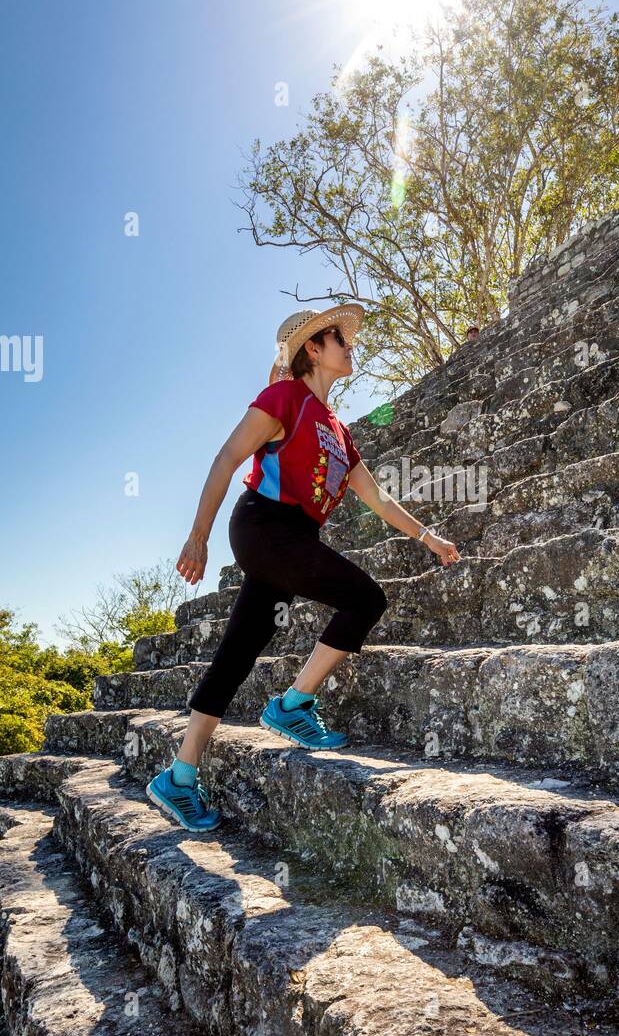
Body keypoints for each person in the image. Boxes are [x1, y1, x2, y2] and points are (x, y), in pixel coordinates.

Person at [146, 302, 461, 831]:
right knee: (365, 598)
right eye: (340, 338)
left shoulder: (339, 430)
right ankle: (293, 704)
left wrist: (427, 536)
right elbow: (227, 458)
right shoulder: (283, 397)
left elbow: (378, 498)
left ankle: (178, 777)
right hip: (264, 527)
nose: (350, 346)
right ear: (313, 349)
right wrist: (197, 536)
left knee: (238, 652)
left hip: (292, 538)